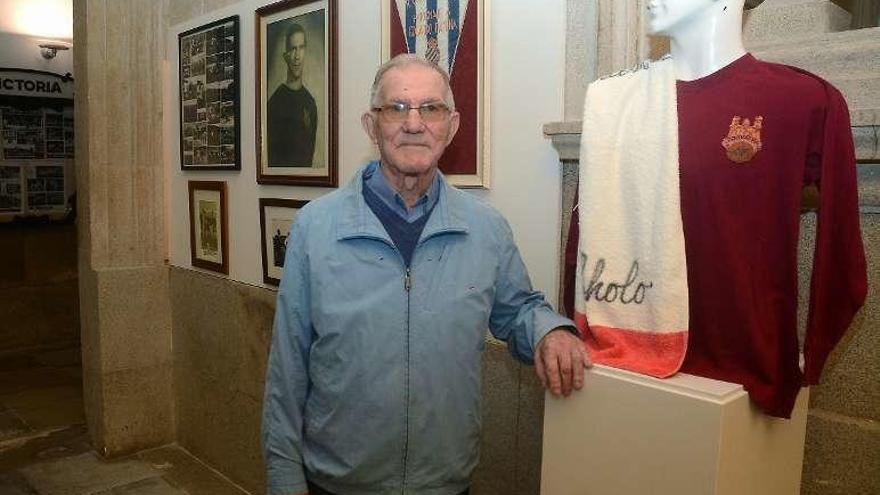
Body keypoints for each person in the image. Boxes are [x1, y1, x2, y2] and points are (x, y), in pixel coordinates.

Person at [262, 54, 589, 495]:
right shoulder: (316, 229)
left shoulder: (486, 229)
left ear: (451, 126)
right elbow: (287, 370)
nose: (413, 123)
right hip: (337, 484)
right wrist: (285, 482)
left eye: (430, 108)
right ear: (370, 125)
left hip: (445, 483)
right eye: (396, 108)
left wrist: (551, 332)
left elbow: (518, 311)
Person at [567, 0, 866, 418]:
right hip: (617, 368)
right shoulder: (614, 104)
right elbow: (586, 232)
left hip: (739, 382)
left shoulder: (802, 101)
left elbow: (843, 256)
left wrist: (810, 352)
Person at [267, 22, 317, 167]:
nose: (297, 56)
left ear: (305, 51)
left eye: (301, 48)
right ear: (285, 55)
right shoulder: (274, 104)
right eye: (293, 49)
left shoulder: (310, 103)